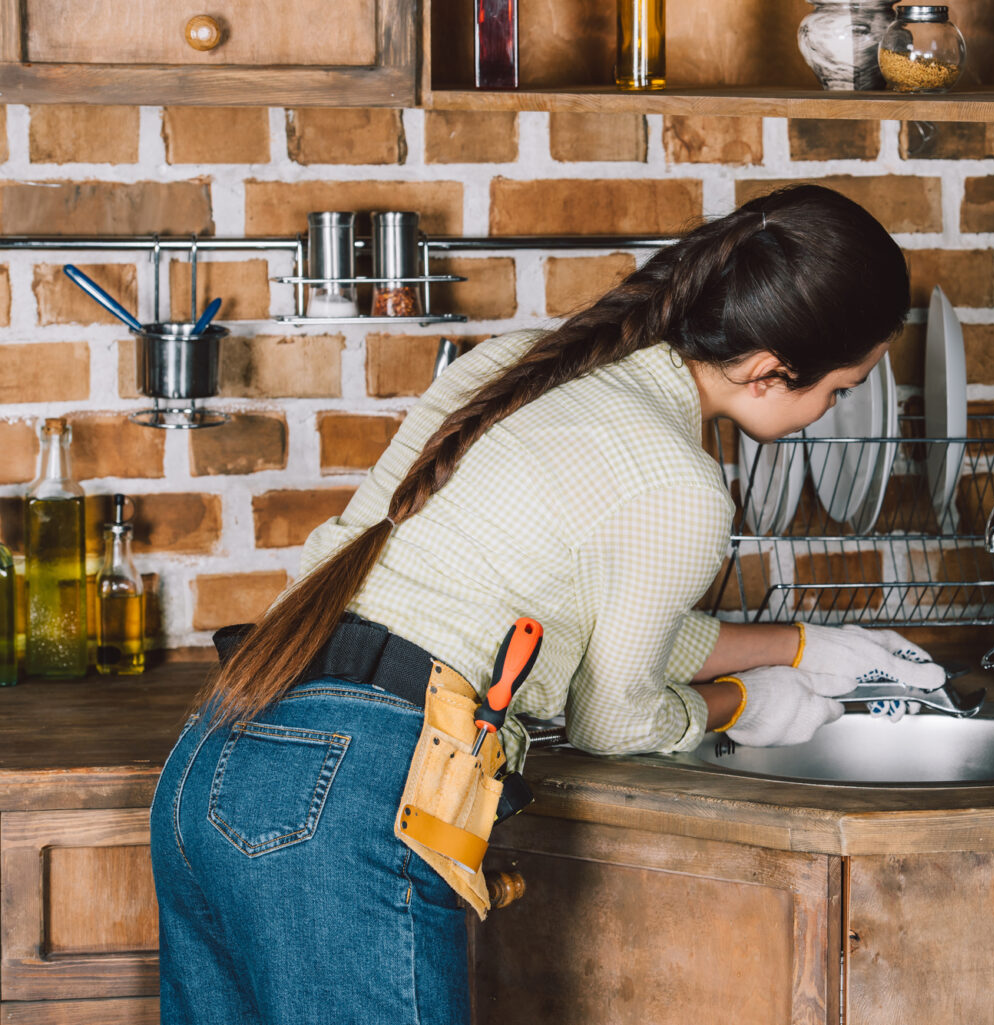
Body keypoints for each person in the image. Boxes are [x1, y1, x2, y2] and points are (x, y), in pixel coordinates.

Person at [149, 184, 946, 1024]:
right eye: (840, 389)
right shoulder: (681, 485)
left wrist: (800, 646)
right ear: (768, 370)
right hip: (357, 799)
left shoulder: (523, 361)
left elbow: (589, 626)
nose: (830, 412)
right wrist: (742, 704)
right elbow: (617, 718)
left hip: (222, 747)